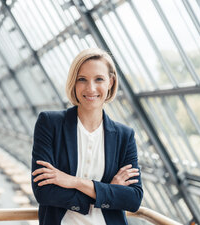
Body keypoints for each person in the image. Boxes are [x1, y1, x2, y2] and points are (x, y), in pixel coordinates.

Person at [31, 48, 143, 225]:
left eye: (99, 79)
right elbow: (43, 191)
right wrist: (109, 191)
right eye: (82, 79)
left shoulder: (124, 136)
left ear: (111, 82)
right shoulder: (50, 124)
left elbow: (134, 199)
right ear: (73, 83)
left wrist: (73, 182)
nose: (90, 88)